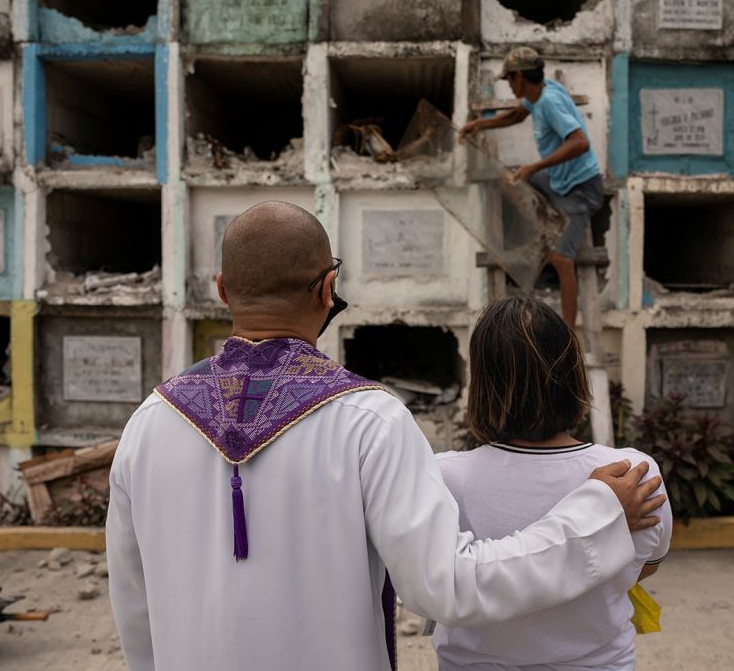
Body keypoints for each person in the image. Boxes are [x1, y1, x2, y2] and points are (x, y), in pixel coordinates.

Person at [106, 201, 666, 671]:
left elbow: (135, 607)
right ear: (329, 289)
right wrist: (597, 512)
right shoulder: (369, 420)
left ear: (222, 289)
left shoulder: (149, 423)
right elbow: (445, 586)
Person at [432, 297, 672, 670]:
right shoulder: (633, 474)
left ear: (480, 384)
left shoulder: (443, 478)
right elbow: (645, 565)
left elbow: (431, 581)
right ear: (574, 373)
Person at [460, 47, 604, 329]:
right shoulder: (537, 94)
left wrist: (535, 167)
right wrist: (479, 125)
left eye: (509, 80)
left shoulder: (549, 101)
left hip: (580, 189)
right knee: (510, 179)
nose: (510, 85)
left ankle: (569, 333)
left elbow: (580, 142)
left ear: (518, 77)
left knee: (561, 259)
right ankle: (539, 231)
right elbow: (515, 116)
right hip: (558, 179)